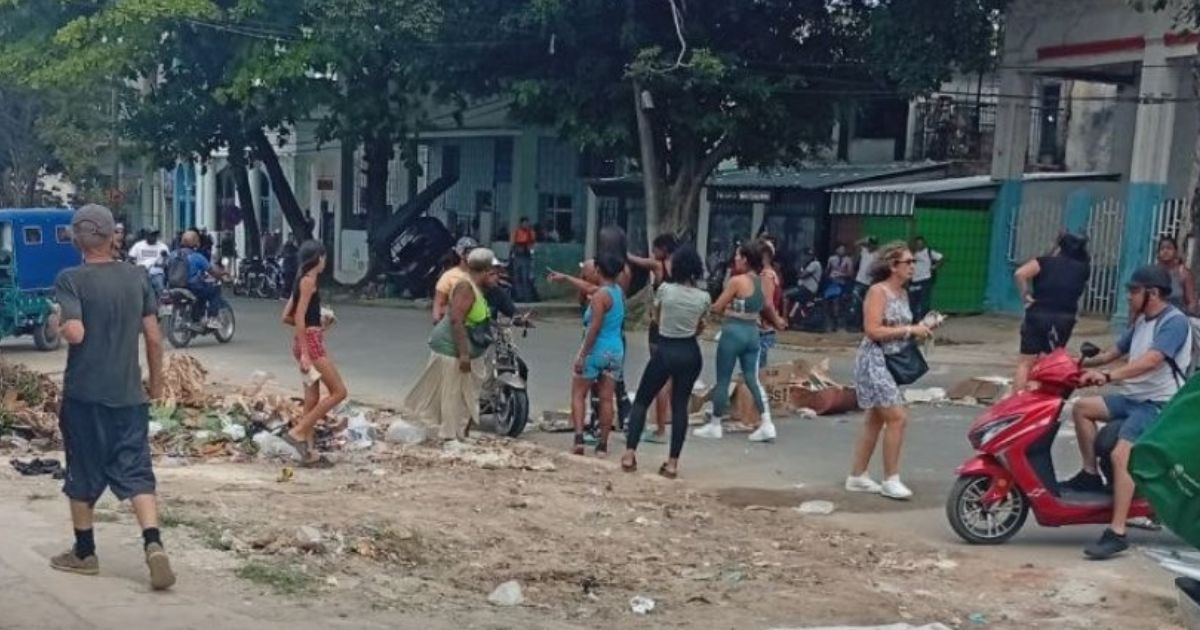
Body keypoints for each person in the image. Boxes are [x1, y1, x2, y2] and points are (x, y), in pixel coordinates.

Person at [50, 204, 175, 590]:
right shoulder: (137, 277)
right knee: (136, 470)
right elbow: (154, 337)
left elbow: (75, 334)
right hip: (128, 396)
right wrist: (154, 384)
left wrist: (56, 322)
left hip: (84, 396)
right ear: (112, 237)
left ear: (76, 239)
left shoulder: (71, 279)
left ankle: (85, 552)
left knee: (82, 470)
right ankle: (153, 543)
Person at [1064, 265, 1191, 560]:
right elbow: (1113, 352)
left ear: (1153, 293)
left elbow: (1151, 361)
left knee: (1122, 454)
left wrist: (1108, 377)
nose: (1129, 297)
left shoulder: (1174, 323)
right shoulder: (1142, 322)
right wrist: (1075, 365)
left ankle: (1117, 532)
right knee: (1082, 408)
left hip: (1158, 404)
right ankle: (1089, 474)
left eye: (1134, 291)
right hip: (1134, 398)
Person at [846, 241, 932, 501]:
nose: (912, 267)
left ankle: (858, 475)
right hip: (874, 360)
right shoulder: (878, 291)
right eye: (908, 263)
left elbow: (899, 328)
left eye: (913, 262)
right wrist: (909, 330)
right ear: (893, 266)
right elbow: (872, 330)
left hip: (891, 359)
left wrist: (922, 329)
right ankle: (890, 478)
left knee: (876, 417)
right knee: (897, 417)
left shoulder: (903, 294)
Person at [621, 245, 710, 478]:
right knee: (680, 406)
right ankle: (672, 463)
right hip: (690, 351)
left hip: (666, 348)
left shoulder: (666, 290)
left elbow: (656, 319)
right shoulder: (704, 297)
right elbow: (701, 326)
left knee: (642, 399)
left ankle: (630, 454)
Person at [406, 248, 502, 442]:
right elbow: (456, 321)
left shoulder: (479, 289)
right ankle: (449, 437)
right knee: (452, 394)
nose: (497, 277)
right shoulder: (465, 287)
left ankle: (459, 434)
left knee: (467, 395)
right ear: (483, 271)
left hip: (467, 350)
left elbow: (476, 320)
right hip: (452, 350)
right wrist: (464, 354)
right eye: (493, 272)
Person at [694, 240, 787, 441]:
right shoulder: (763, 280)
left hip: (733, 332)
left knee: (723, 379)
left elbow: (717, 307)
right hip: (753, 333)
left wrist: (729, 308)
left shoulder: (737, 281)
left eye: (737, 256)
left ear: (745, 259)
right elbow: (767, 307)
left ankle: (715, 425)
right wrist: (778, 321)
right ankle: (767, 423)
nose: (735, 259)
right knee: (752, 378)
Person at [278, 241, 347, 467]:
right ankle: (299, 431)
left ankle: (307, 452)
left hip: (303, 340)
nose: (325, 262)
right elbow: (298, 317)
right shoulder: (309, 282)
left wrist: (318, 323)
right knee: (339, 391)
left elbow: (286, 316)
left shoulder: (300, 280)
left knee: (312, 398)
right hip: (311, 344)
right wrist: (307, 352)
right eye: (324, 258)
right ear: (318, 258)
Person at [1013, 233, 1091, 391]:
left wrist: (1026, 295)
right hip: (1064, 319)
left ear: (1060, 247)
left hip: (1037, 314)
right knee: (1049, 362)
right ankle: (1041, 398)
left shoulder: (1044, 262)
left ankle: (1017, 399)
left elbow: (1020, 273)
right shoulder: (1083, 268)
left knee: (1025, 362)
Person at [565, 253, 625, 456]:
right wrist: (566, 278)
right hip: (615, 351)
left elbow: (594, 328)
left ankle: (579, 439)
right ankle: (603, 445)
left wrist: (582, 355)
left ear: (598, 270)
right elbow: (589, 288)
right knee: (607, 399)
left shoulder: (600, 297)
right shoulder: (618, 292)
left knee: (578, 393)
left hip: (596, 349)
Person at [627, 233, 680, 443]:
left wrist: (622, 250)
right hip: (677, 327)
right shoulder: (681, 267)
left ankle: (659, 429)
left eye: (656, 249)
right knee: (673, 380)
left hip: (659, 327)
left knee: (660, 379)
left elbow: (636, 260)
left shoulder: (659, 266)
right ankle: (666, 424)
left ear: (663, 249)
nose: (653, 253)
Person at [750, 237, 784, 442]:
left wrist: (773, 321)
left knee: (756, 374)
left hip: (761, 329)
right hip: (765, 328)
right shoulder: (771, 274)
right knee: (756, 373)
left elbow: (767, 303)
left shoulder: (766, 275)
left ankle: (761, 419)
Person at [175, 230, 229, 328]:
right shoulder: (197, 257)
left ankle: (197, 318)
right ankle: (213, 318)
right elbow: (213, 272)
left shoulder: (173, 255)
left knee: (201, 295)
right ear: (196, 242)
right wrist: (224, 274)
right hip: (192, 286)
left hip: (174, 286)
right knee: (214, 291)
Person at [433, 237, 479, 323]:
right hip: (457, 323)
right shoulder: (449, 276)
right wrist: (437, 319)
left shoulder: (480, 274)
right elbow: (439, 302)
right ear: (461, 254)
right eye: (469, 252)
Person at [1156, 235, 1197, 314]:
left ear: (1176, 252)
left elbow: (1191, 302)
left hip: (1177, 317)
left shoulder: (1183, 274)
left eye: (1169, 248)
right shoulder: (1154, 273)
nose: (1165, 251)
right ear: (1158, 253)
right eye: (1162, 249)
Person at [908, 236, 944, 323]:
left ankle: (924, 320)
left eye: (921, 243)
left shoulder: (929, 252)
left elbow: (941, 258)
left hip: (925, 280)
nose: (919, 245)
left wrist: (934, 267)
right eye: (917, 244)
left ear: (924, 244)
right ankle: (913, 320)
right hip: (913, 281)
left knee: (924, 301)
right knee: (912, 301)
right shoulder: (911, 253)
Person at [128, 230, 171, 295]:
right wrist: (135, 266)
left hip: (157, 272)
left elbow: (168, 261)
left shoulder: (163, 246)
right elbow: (131, 258)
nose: (153, 237)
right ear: (146, 236)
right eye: (152, 235)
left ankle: (161, 299)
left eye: (155, 235)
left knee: (159, 287)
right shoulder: (138, 245)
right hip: (141, 271)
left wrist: (162, 264)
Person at [825, 243, 854, 331]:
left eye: (843, 249)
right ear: (836, 250)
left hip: (842, 283)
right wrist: (829, 275)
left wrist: (841, 275)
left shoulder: (848, 260)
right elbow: (827, 270)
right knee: (829, 302)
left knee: (837, 302)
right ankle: (830, 322)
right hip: (832, 283)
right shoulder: (831, 259)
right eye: (840, 249)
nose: (842, 251)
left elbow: (851, 273)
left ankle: (837, 323)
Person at [510, 217, 539, 302]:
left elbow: (533, 244)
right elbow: (512, 244)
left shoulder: (531, 232)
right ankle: (519, 296)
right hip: (517, 256)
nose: (526, 225)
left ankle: (527, 297)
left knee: (526, 277)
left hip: (526, 257)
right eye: (524, 223)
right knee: (517, 277)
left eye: (527, 223)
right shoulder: (516, 232)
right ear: (521, 223)